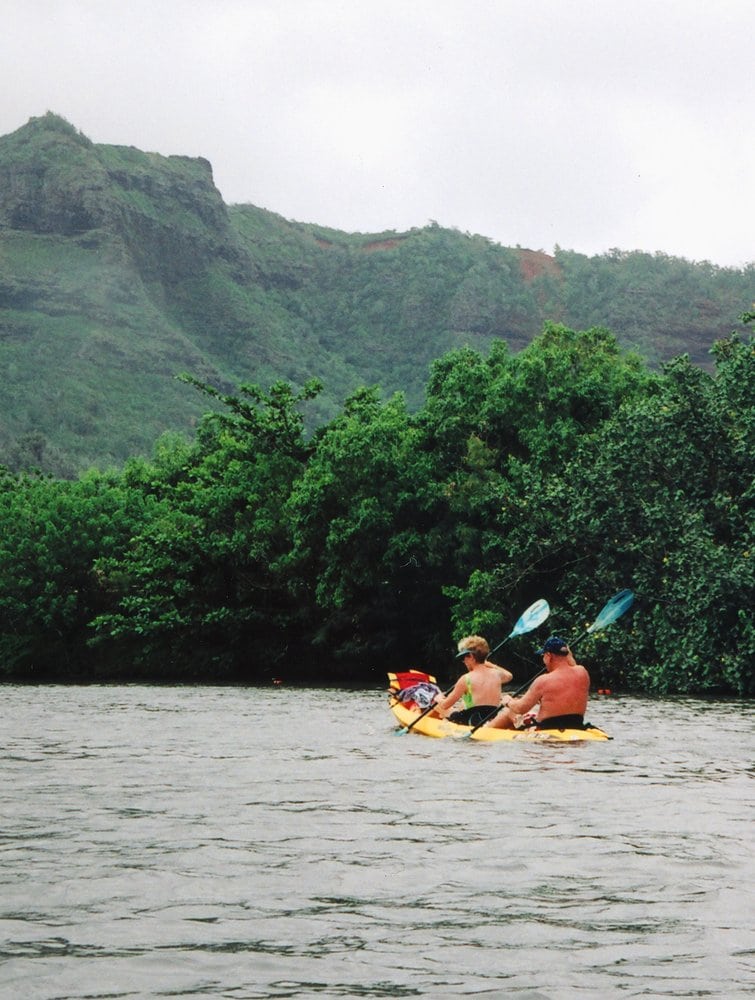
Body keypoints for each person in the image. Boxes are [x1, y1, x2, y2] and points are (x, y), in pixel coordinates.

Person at [486, 635, 590, 730]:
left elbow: (520, 708)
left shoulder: (543, 681)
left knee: (510, 711)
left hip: (546, 728)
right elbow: (572, 664)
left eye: (543, 656)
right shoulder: (582, 673)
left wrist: (508, 701)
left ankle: (485, 730)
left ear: (548, 656)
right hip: (576, 725)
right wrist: (566, 653)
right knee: (520, 719)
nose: (543, 660)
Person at [432, 635, 513, 727]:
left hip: (470, 721)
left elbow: (445, 705)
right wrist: (491, 665)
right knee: (461, 706)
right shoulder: (497, 674)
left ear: (471, 656)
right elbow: (509, 676)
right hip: (491, 717)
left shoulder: (465, 679)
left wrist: (438, 698)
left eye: (463, 657)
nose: (463, 661)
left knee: (436, 705)